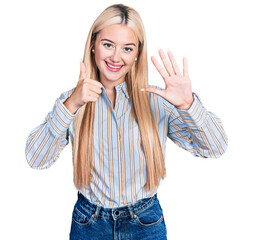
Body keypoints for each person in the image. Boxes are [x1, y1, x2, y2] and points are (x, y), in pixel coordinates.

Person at [25, 4, 228, 240]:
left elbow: (216, 148)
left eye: (127, 48)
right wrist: (70, 105)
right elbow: (35, 159)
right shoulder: (73, 102)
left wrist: (187, 105)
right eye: (108, 44)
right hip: (89, 224)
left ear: (137, 54)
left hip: (146, 223)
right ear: (93, 45)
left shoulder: (158, 101)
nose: (115, 57)